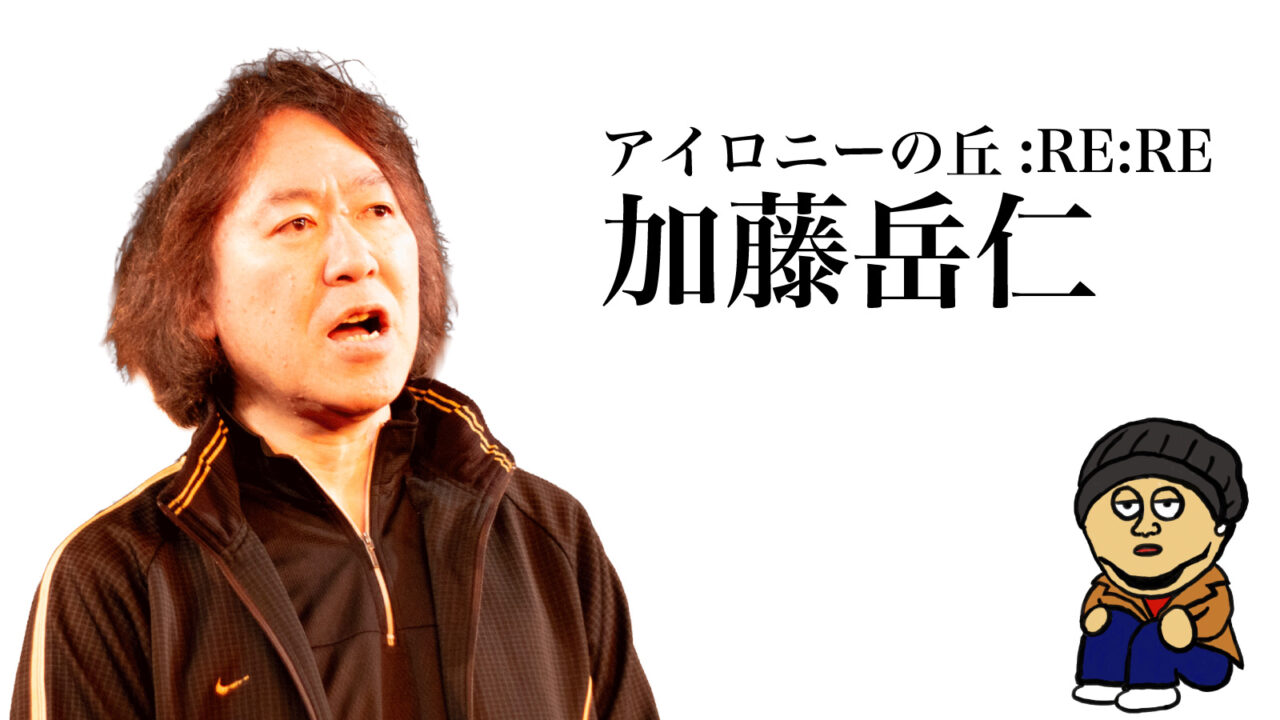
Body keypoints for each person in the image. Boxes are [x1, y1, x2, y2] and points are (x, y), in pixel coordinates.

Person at [11, 51, 657, 720]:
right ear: (197, 299)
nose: (355, 257)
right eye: (296, 223)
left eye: (378, 209)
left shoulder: (549, 539)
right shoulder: (117, 579)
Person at [1072, 418, 1246, 713]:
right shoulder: (1109, 584)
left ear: (1220, 529)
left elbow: (1215, 615)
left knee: (1153, 636)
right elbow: (1098, 604)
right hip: (1140, 643)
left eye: (1167, 506)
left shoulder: (1210, 585)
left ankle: (1152, 687)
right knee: (1112, 624)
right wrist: (1095, 616)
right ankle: (1102, 679)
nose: (1145, 527)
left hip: (1204, 655)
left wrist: (1188, 626)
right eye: (1126, 507)